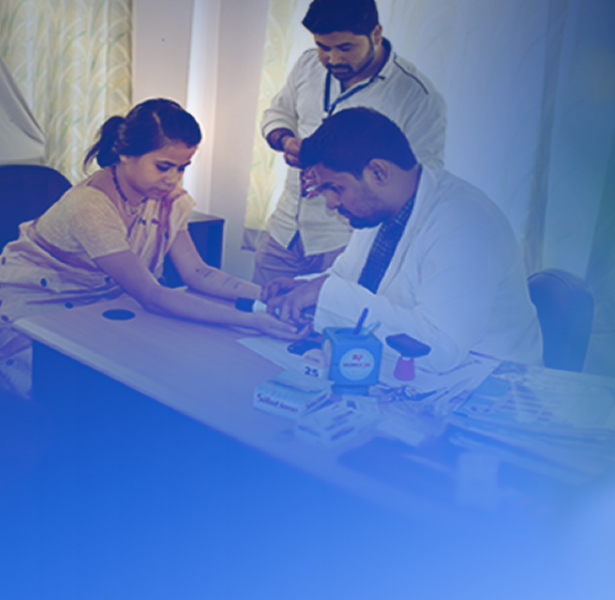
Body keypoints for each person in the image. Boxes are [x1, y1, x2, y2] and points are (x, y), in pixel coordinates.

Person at [0, 99, 301, 397]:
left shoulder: (165, 197)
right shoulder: (90, 205)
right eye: (164, 166)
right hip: (35, 316)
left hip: (102, 308)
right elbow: (151, 294)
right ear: (125, 154)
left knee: (172, 372)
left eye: (182, 168)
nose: (173, 179)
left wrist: (267, 297)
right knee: (87, 395)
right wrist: (250, 320)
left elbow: (197, 271)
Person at [264, 107, 540, 372]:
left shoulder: (466, 223)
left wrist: (324, 293)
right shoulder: (378, 212)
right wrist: (305, 289)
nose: (331, 204)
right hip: (409, 378)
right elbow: (345, 279)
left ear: (378, 173)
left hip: (485, 390)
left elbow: (438, 348)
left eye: (336, 188)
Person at [257, 0, 445, 285]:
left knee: (326, 327)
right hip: (283, 234)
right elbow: (278, 112)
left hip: (346, 246)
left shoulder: (416, 96)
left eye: (345, 48)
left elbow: (419, 180)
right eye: (323, 47)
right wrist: (285, 141)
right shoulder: (308, 64)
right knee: (257, 317)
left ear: (376, 34)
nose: (332, 60)